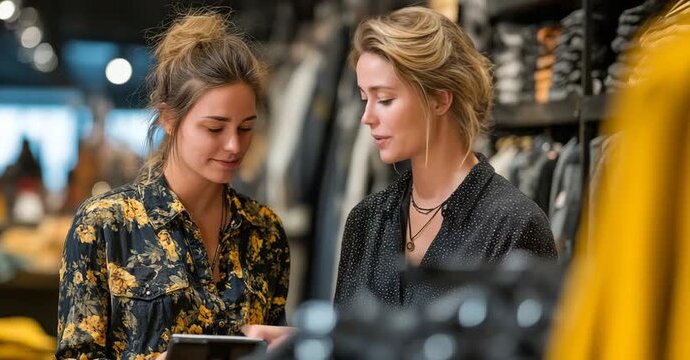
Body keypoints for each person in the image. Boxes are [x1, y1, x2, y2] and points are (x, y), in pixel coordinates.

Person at [245, 5, 557, 348]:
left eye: (385, 99)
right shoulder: (366, 220)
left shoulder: (514, 224)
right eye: (365, 99)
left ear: (439, 99)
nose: (367, 117)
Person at [56, 11, 290, 359]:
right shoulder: (104, 225)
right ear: (168, 118)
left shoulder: (264, 231)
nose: (234, 146)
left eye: (245, 128)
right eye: (214, 128)